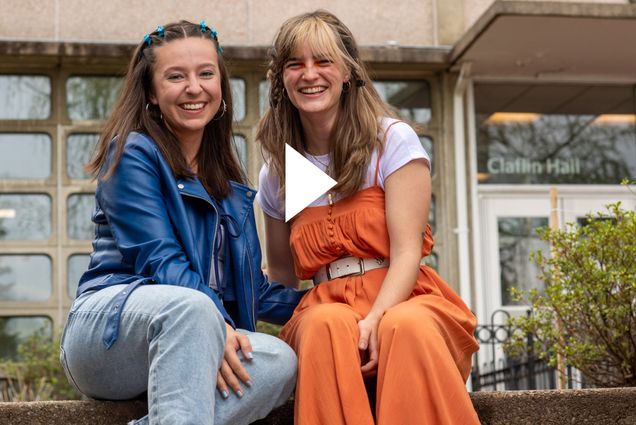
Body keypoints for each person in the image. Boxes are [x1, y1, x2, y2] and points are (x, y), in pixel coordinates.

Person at [59, 20, 304, 425]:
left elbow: (252, 289)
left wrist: (332, 303)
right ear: (152, 93)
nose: (194, 87)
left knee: (279, 360)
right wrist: (217, 323)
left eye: (206, 74)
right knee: (191, 309)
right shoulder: (132, 155)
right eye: (176, 76)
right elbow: (161, 260)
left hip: (192, 335)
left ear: (220, 86)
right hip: (107, 332)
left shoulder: (227, 188)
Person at [256, 10, 480, 425]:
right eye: (295, 64)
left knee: (405, 326)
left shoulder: (390, 140)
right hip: (325, 304)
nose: (310, 74)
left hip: (402, 293)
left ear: (347, 72)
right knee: (323, 325)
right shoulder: (278, 171)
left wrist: (376, 317)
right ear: (281, 79)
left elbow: (408, 251)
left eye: (323, 60)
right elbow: (283, 277)